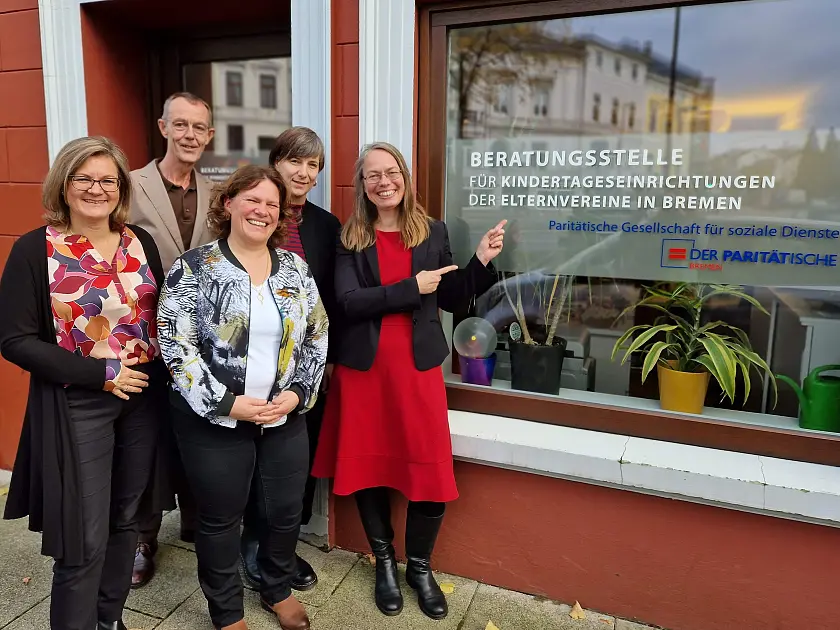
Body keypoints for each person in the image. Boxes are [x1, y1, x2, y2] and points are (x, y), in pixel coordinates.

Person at [311, 142, 505, 619]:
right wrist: (409, 289)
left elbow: (453, 297)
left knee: (429, 472)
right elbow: (348, 303)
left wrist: (480, 260)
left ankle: (419, 567)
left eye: (390, 171)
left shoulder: (432, 231)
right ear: (362, 184)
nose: (383, 181)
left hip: (417, 371)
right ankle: (383, 563)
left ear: (405, 176)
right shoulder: (351, 236)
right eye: (372, 175)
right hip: (365, 371)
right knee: (368, 468)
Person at [0, 136, 169, 630]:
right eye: (84, 178)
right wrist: (101, 373)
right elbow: (14, 340)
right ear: (64, 184)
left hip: (142, 401)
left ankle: (108, 619)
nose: (96, 189)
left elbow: (161, 319)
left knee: (127, 522)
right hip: (79, 404)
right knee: (83, 536)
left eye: (107, 180)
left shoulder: (141, 241)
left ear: (120, 188)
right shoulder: (36, 249)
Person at [157, 165, 328, 630]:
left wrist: (297, 394)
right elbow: (176, 345)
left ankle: (276, 586)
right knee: (220, 518)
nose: (263, 210)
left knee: (284, 510)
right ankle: (226, 610)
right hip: (214, 419)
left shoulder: (294, 269)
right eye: (252, 199)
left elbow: (317, 335)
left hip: (282, 416)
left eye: (272, 204)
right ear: (228, 203)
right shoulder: (193, 268)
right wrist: (224, 401)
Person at [239, 126, 341, 593]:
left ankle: (283, 547)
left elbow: (333, 302)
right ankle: (253, 544)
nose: (303, 172)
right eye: (294, 161)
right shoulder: (253, 213)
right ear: (275, 162)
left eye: (312, 164)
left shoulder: (325, 225)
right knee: (252, 460)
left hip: (305, 368)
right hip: (249, 361)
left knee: (292, 462)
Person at [128, 91, 216, 587]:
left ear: (209, 135)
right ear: (163, 128)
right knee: (146, 436)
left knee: (196, 429)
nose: (189, 135)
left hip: (198, 339)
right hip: (141, 339)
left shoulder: (215, 192)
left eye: (198, 127)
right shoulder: (131, 185)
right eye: (180, 125)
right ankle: (142, 536)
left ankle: (197, 521)